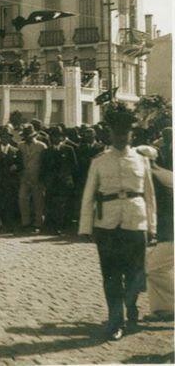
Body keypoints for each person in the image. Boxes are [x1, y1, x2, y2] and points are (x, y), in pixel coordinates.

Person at [78, 104, 157, 341]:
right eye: (117, 133)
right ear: (110, 134)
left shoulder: (141, 161)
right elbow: (89, 195)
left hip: (136, 221)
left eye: (126, 133)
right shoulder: (100, 161)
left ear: (131, 135)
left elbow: (150, 195)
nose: (121, 137)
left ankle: (131, 305)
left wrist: (151, 227)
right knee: (111, 275)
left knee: (135, 273)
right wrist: (85, 227)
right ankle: (116, 321)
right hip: (107, 224)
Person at [144, 129, 174, 322]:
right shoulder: (167, 173)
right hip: (169, 231)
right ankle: (163, 309)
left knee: (154, 269)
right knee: (157, 269)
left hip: (169, 232)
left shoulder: (149, 178)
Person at [43, 126, 78, 235]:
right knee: (51, 204)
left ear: (62, 137)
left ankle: (61, 226)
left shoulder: (68, 149)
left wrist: (69, 178)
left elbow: (74, 166)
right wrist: (45, 181)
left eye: (58, 136)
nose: (56, 138)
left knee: (62, 205)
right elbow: (43, 167)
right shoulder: (47, 151)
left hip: (64, 181)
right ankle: (51, 226)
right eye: (54, 136)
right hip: (51, 182)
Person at [0, 132, 22, 233]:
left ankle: (9, 225)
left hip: (10, 182)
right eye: (3, 137)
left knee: (10, 204)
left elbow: (21, 165)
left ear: (10, 138)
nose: (4, 139)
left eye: (7, 137)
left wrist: (16, 167)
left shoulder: (15, 151)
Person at [18, 124, 47, 232]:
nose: (26, 138)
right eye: (25, 136)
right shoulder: (20, 146)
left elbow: (45, 163)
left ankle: (38, 223)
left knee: (38, 201)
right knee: (22, 199)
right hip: (24, 178)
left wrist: (42, 178)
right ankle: (25, 222)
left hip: (37, 177)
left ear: (33, 135)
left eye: (28, 136)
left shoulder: (41, 146)